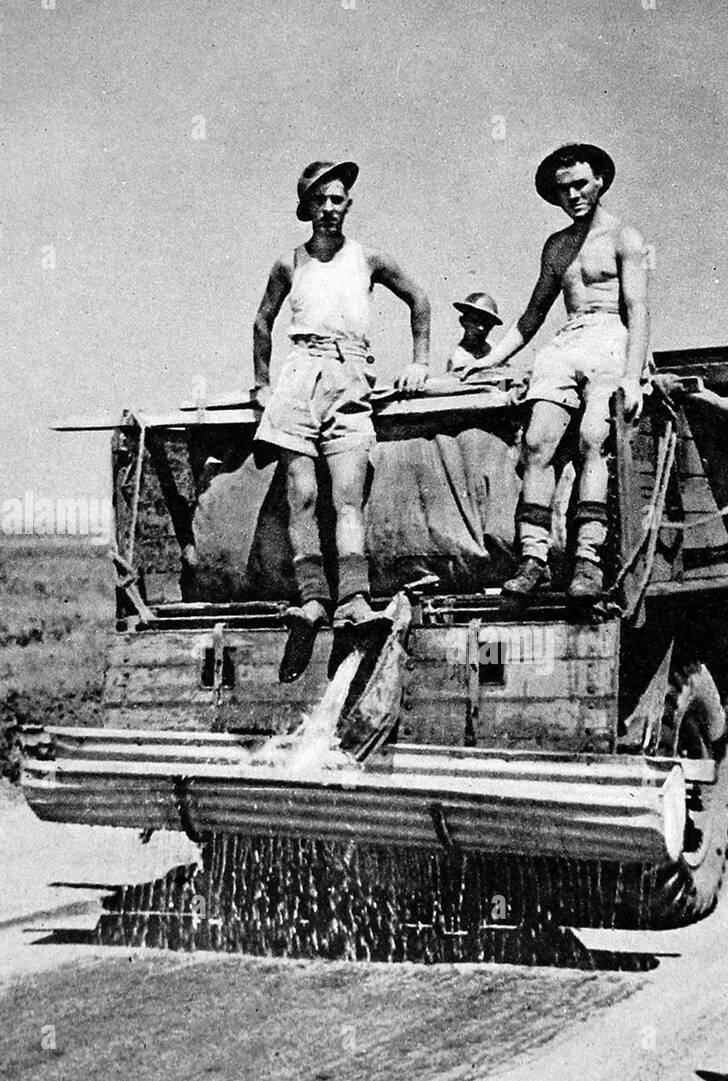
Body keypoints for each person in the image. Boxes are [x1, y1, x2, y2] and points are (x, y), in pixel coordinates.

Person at [252, 159, 431, 681]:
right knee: (300, 494)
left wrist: (419, 359)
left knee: (348, 495)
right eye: (320, 200)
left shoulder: (368, 258)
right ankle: (311, 602)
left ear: (348, 204)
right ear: (306, 207)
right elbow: (263, 320)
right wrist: (262, 385)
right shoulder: (290, 264)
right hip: (297, 376)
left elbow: (419, 298)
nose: (330, 208)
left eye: (338, 199)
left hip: (350, 375)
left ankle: (353, 600)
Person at [463, 143, 649, 603]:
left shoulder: (625, 238)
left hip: (610, 336)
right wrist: (489, 360)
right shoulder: (557, 246)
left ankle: (587, 558)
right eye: (564, 189)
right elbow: (532, 315)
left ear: (600, 182)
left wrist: (632, 373)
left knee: (592, 438)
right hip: (568, 339)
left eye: (581, 184)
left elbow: (638, 309)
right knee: (537, 443)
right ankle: (534, 559)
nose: (573, 195)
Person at [446, 292, 502, 374]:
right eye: (474, 321)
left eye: (487, 324)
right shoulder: (458, 358)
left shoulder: (494, 349)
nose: (481, 328)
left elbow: (503, 380)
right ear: (463, 321)